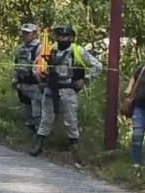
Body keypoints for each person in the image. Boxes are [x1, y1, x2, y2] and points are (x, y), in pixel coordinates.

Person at [30, 25, 102, 161]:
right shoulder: (49, 49)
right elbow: (36, 66)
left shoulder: (77, 50)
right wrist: (39, 76)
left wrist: (85, 79)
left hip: (68, 88)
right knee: (46, 118)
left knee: (70, 119)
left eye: (66, 36)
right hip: (51, 88)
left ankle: (74, 147)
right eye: (60, 36)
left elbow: (97, 66)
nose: (63, 39)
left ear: (71, 38)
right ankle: (39, 144)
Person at [122, 53, 145, 173]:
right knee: (137, 136)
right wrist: (128, 93)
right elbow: (132, 81)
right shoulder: (142, 69)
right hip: (139, 107)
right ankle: (136, 164)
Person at [12, 23, 43, 134]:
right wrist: (14, 79)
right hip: (23, 84)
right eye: (23, 33)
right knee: (28, 111)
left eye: (27, 33)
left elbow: (41, 67)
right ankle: (30, 133)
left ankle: (39, 136)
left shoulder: (40, 48)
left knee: (37, 113)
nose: (24, 35)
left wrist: (41, 81)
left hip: (35, 85)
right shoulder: (21, 48)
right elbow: (17, 65)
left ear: (34, 34)